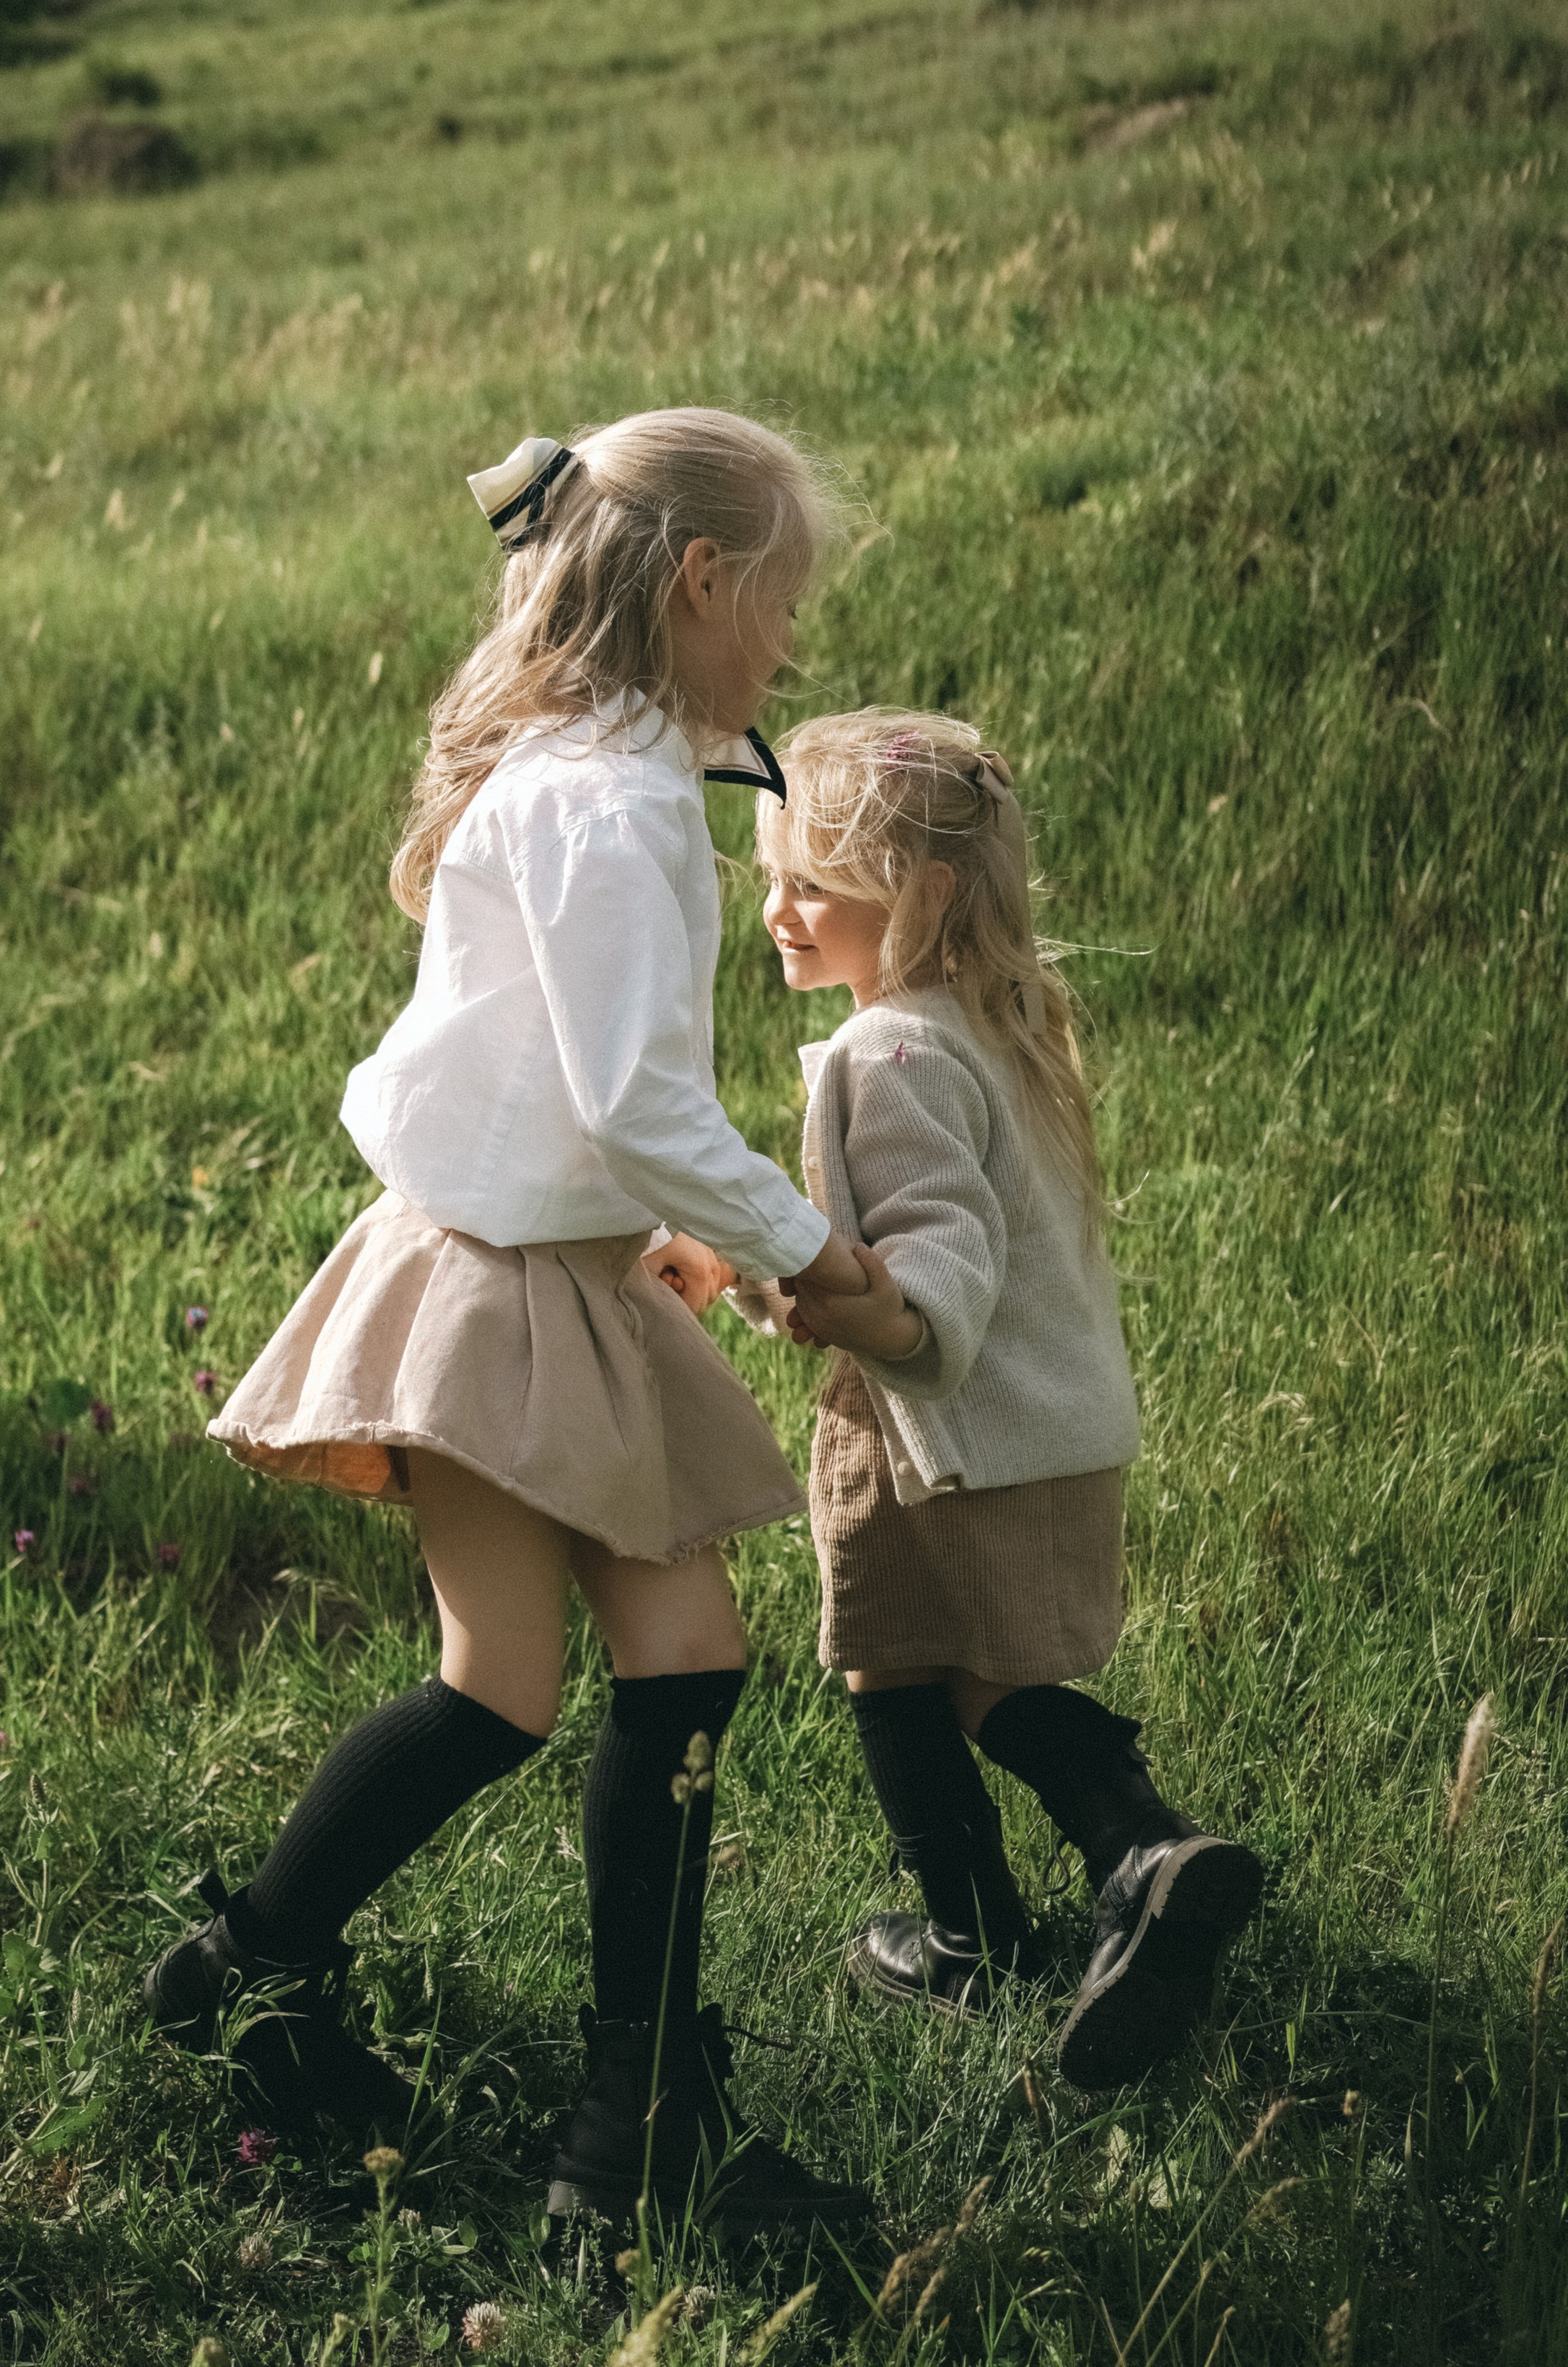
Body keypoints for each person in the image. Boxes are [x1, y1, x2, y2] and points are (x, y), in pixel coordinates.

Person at [141, 412, 872, 2234]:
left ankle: (550, 2088)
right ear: (698, 584)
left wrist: (690, 1236)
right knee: (573, 1679)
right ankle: (568, 2106)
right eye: (778, 604)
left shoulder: (572, 751)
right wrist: (802, 1251)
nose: (787, 647)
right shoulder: (616, 801)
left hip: (513, 1264)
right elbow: (633, 1098)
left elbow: (587, 1105)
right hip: (505, 1288)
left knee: (603, 1676)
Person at [715, 707, 1263, 2088]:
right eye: (770, 875)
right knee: (979, 1673)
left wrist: (848, 1303)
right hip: (1053, 1427)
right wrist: (766, 1264)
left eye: (812, 885)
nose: (776, 909)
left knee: (892, 1666)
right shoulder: (1005, 1027)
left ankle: (1030, 1906)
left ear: (929, 894)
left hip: (935, 1436)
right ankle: (1132, 1863)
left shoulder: (884, 1054)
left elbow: (935, 1257)